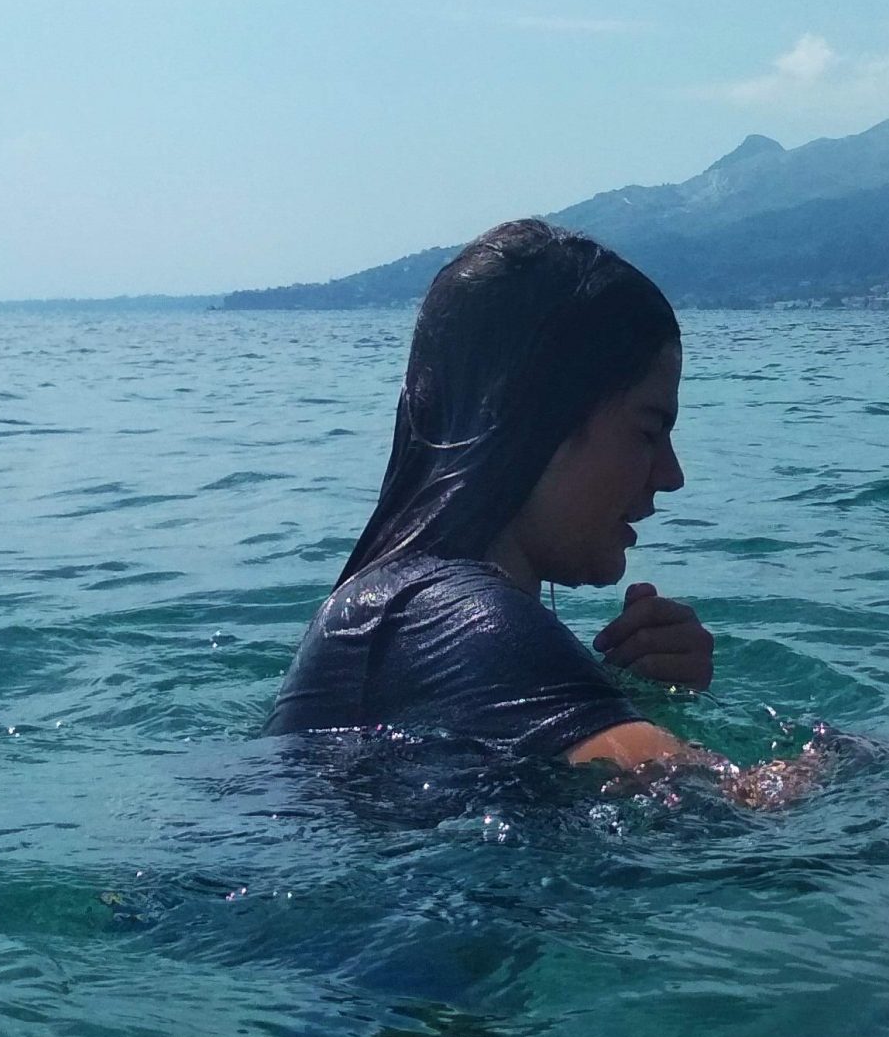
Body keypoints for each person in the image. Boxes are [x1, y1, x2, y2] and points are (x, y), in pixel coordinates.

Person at [269, 218, 817, 801]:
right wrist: (849, 762)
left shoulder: (408, 610)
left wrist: (635, 697)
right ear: (536, 417)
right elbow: (718, 806)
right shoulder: (465, 619)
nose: (671, 475)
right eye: (648, 431)